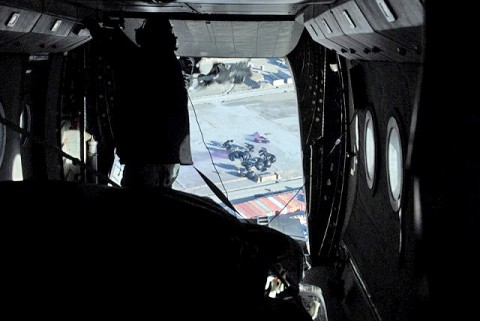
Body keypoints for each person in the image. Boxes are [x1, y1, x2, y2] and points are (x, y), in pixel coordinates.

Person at [98, 17, 193, 188]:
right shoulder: (166, 59)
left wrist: (94, 28)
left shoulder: (148, 59)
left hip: (146, 159)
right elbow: (130, 54)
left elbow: (116, 55)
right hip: (164, 158)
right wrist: (116, 32)